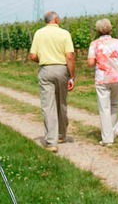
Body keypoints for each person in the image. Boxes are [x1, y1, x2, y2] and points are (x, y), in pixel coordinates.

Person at [29, 11, 76, 153]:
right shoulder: (65, 34)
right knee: (61, 103)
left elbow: (32, 56)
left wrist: (43, 60)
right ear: (56, 19)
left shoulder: (39, 33)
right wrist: (71, 76)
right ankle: (62, 135)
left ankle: (51, 141)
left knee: (48, 105)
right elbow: (69, 56)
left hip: (46, 69)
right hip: (62, 69)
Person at [88, 19, 118, 146]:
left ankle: (107, 138)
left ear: (97, 30)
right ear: (110, 29)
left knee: (104, 108)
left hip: (102, 78)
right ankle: (112, 132)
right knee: (114, 105)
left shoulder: (94, 44)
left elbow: (90, 63)